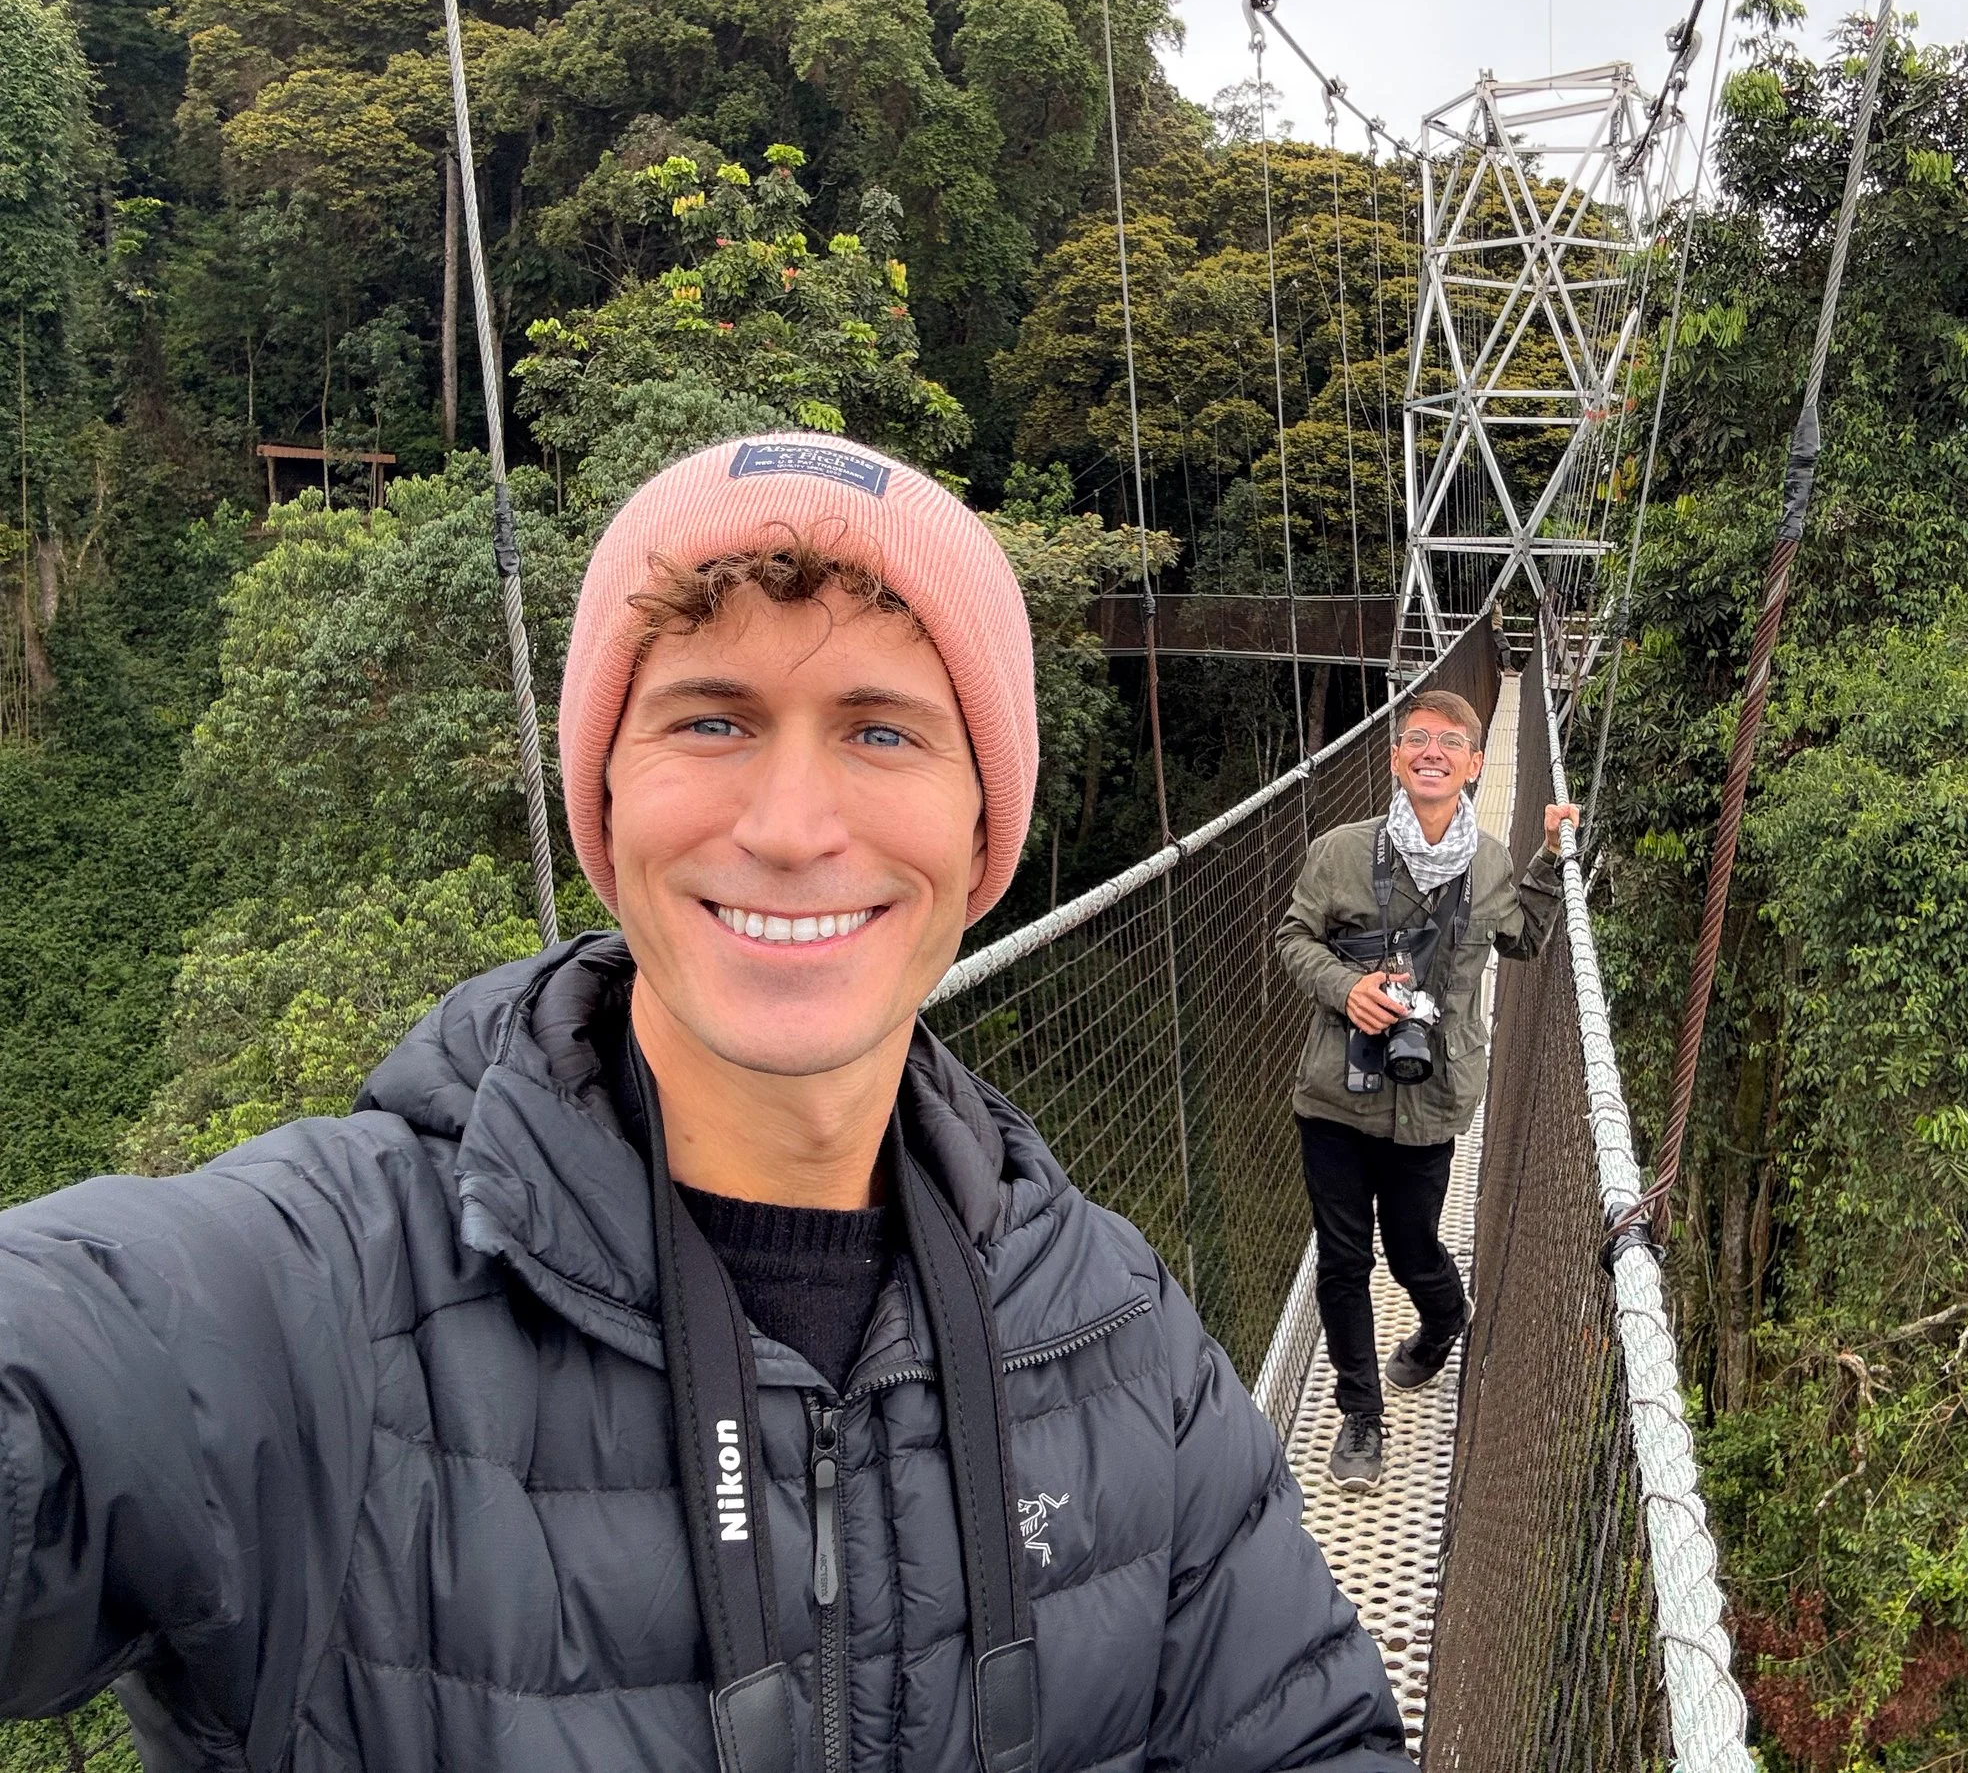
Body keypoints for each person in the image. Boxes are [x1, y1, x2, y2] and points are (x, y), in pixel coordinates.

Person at [0, 434, 1408, 1771]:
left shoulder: (1122, 1335)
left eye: (883, 731)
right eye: (712, 717)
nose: (791, 826)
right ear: (603, 801)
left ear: (990, 827)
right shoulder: (323, 1295)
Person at [1274, 687, 1577, 1493]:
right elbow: (1293, 938)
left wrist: (1553, 855)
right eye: (1417, 737)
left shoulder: (1490, 864)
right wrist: (1346, 987)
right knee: (1343, 1259)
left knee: (1412, 1251)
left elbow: (1526, 938)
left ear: (1477, 764)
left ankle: (1446, 1316)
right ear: (1396, 755)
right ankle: (1360, 1415)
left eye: (1451, 740)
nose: (1432, 750)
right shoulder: (1339, 851)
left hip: (1434, 1097)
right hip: (1337, 1095)